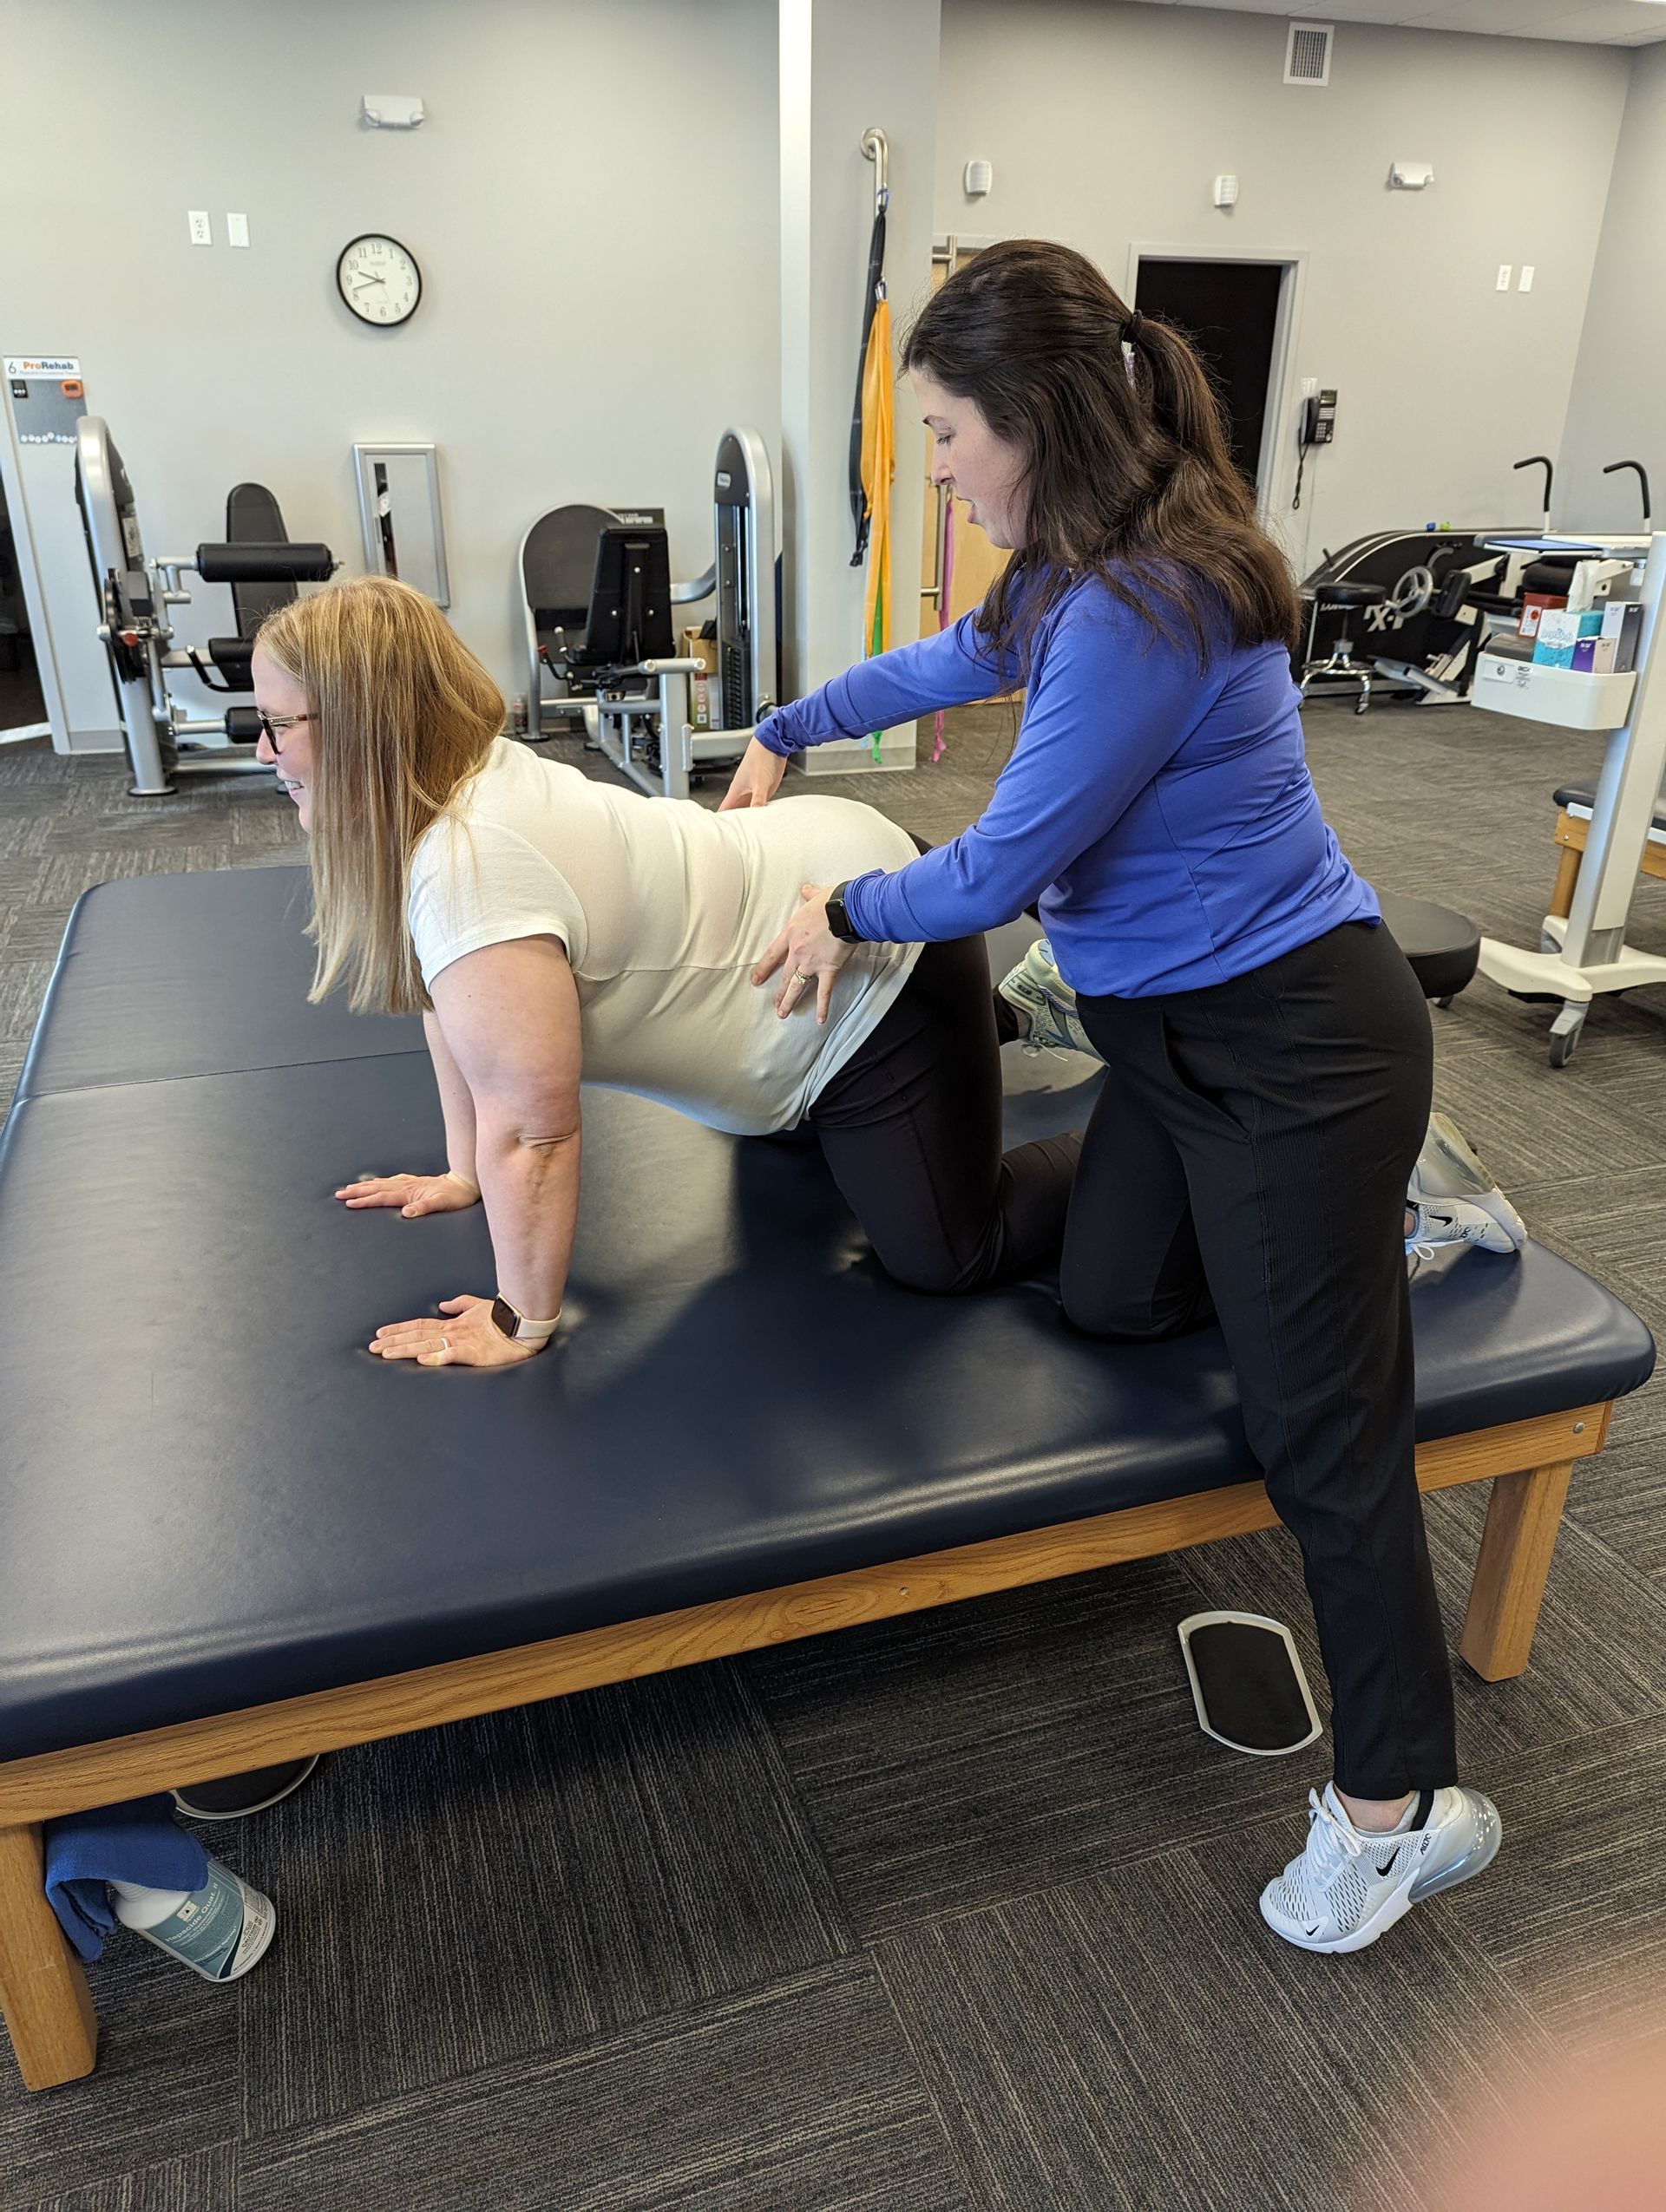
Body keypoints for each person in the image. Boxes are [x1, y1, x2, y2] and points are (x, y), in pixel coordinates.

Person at [723, 237, 1500, 1954]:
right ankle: (1334, 1236)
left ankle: (1398, 1813)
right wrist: (784, 721)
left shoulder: (1151, 604)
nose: (937, 469)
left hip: (1298, 1055)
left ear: (1032, 417)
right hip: (1170, 1050)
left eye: (946, 435)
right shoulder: (1072, 567)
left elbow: (1001, 866)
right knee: (1110, 1299)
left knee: (1322, 1436)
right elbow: (944, 663)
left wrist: (839, 909)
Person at [250, 574, 1079, 1371]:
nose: (262, 751)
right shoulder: (449, 794)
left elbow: (535, 1129)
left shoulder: (473, 864)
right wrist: (463, 1171)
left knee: (948, 1254)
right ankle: (1009, 1015)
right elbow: (453, 1011)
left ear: (365, 724)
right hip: (797, 920)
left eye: (276, 725)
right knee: (793, 1147)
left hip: (868, 961)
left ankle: (1138, 1137)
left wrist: (518, 1319)